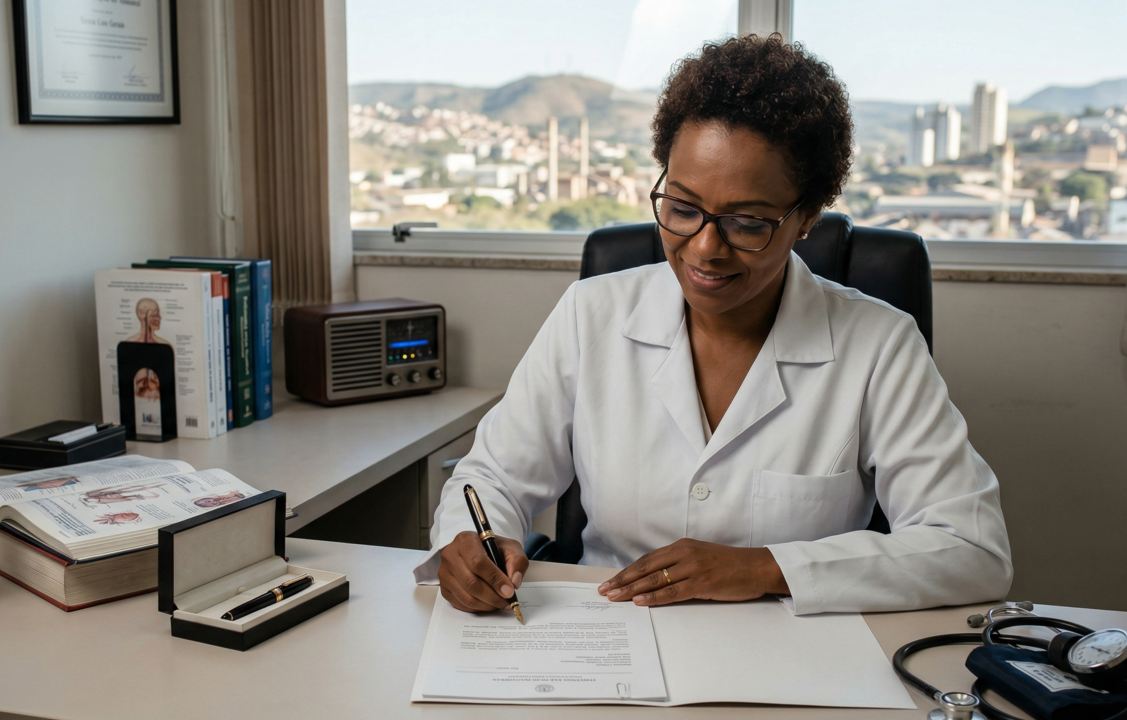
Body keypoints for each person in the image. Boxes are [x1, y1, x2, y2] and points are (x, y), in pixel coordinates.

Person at [416, 35, 1012, 616]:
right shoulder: (590, 314)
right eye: (681, 208)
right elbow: (492, 477)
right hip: (609, 639)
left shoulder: (879, 345)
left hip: (791, 659)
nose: (703, 248)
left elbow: (972, 549)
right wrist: (473, 543)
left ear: (805, 217)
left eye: (747, 222)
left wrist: (762, 568)